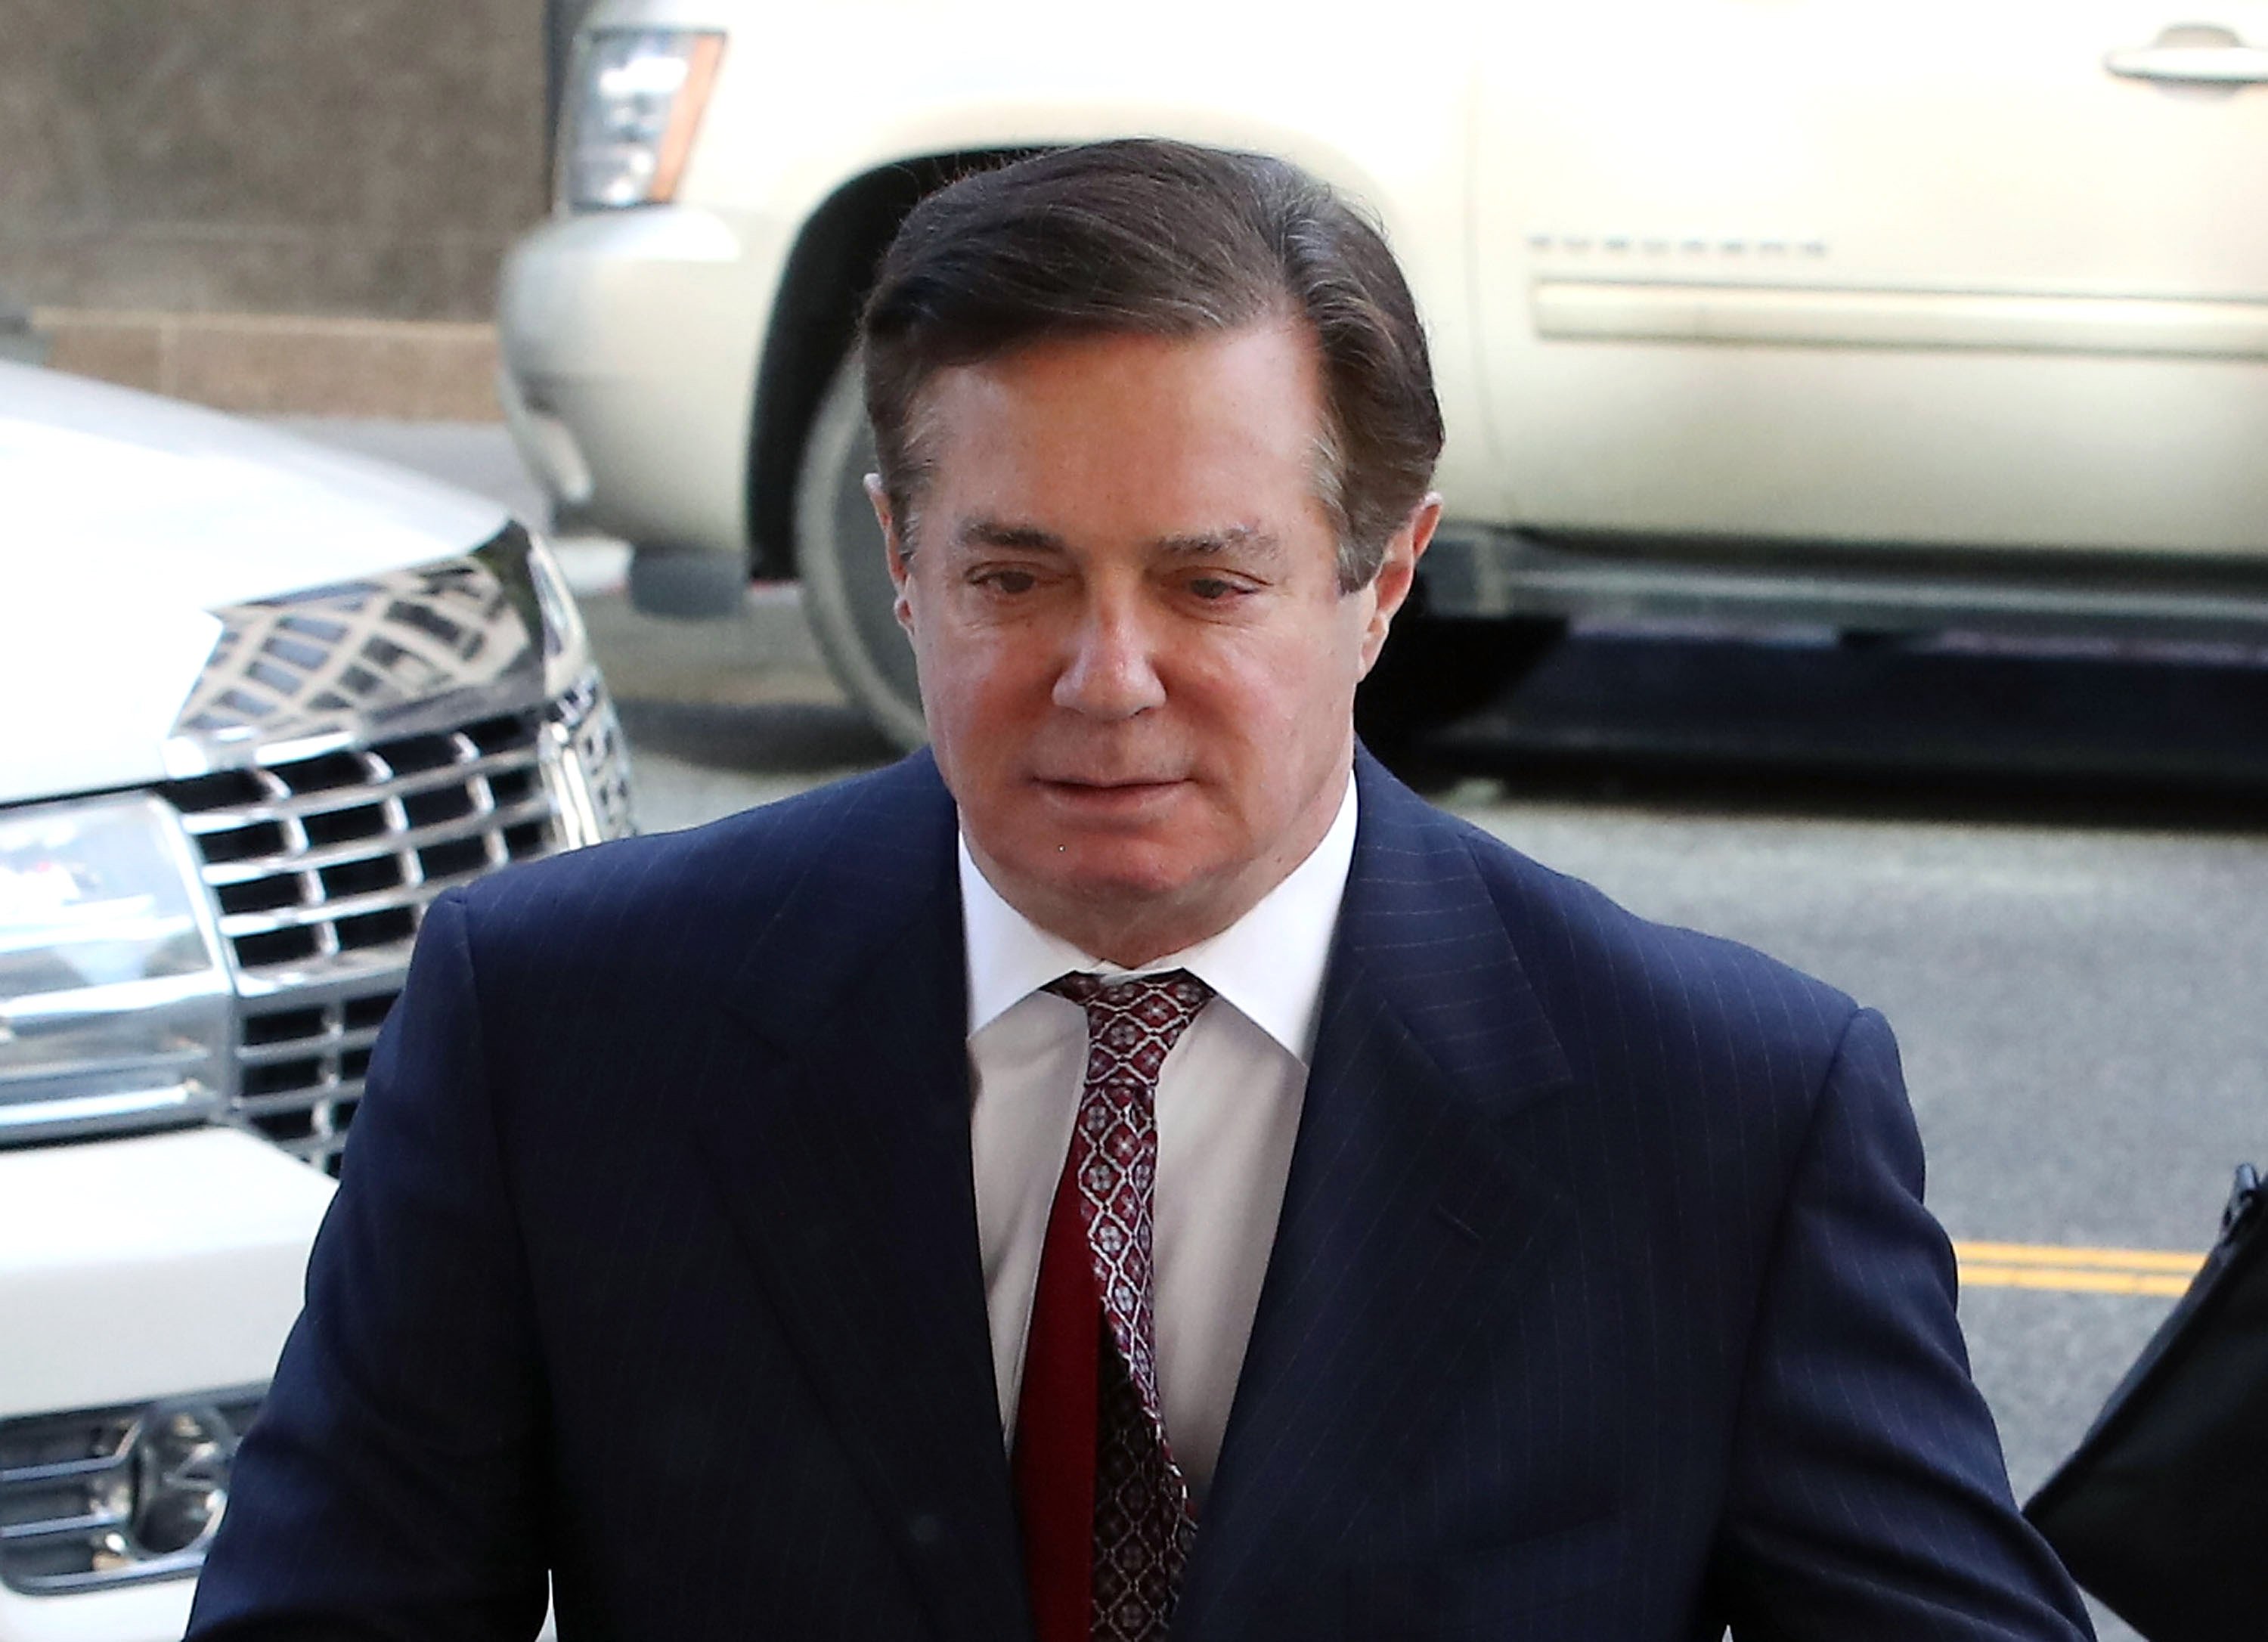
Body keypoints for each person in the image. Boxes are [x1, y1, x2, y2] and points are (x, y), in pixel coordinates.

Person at [187, 140, 2094, 1641]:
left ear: (1386, 579)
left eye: (1209, 584)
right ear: (900, 561)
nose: (1108, 682)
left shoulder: (1728, 1112)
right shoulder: (562, 1028)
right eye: (1015, 579)